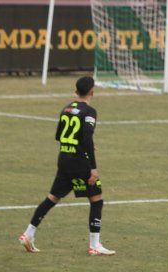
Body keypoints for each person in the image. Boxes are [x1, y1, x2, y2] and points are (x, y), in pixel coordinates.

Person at [18, 76, 115, 256]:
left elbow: (59, 135)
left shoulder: (66, 109)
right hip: (80, 162)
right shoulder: (90, 112)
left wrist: (79, 142)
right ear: (92, 92)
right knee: (96, 199)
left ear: (75, 91)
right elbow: (86, 137)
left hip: (64, 159)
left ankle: (28, 233)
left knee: (52, 198)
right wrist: (93, 168)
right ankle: (95, 245)